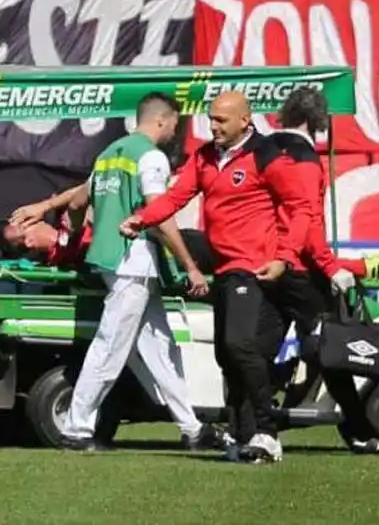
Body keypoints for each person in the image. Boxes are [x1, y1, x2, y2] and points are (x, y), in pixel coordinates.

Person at [16, 91, 223, 452]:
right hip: (133, 263)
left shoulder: (110, 154)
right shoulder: (151, 157)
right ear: (161, 119)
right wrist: (190, 266)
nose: (175, 132)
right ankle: (77, 429)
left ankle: (192, 428)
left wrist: (62, 225)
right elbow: (159, 215)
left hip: (115, 261)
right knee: (110, 346)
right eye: (175, 124)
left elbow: (79, 200)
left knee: (161, 349)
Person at [120, 91, 314, 464]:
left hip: (254, 268)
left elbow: (301, 207)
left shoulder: (266, 155)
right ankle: (242, 435)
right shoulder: (206, 156)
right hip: (223, 268)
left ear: (245, 120)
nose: (213, 126)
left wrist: (285, 258)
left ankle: (267, 431)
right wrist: (142, 219)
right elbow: (175, 197)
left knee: (239, 345)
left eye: (221, 120)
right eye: (211, 119)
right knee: (227, 355)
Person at [270, 86, 379, 454]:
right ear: (317, 120)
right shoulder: (305, 160)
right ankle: (360, 433)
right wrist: (333, 267)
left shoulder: (265, 150)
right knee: (331, 350)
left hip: (264, 264)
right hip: (297, 271)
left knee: (262, 351)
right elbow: (307, 225)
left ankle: (256, 424)